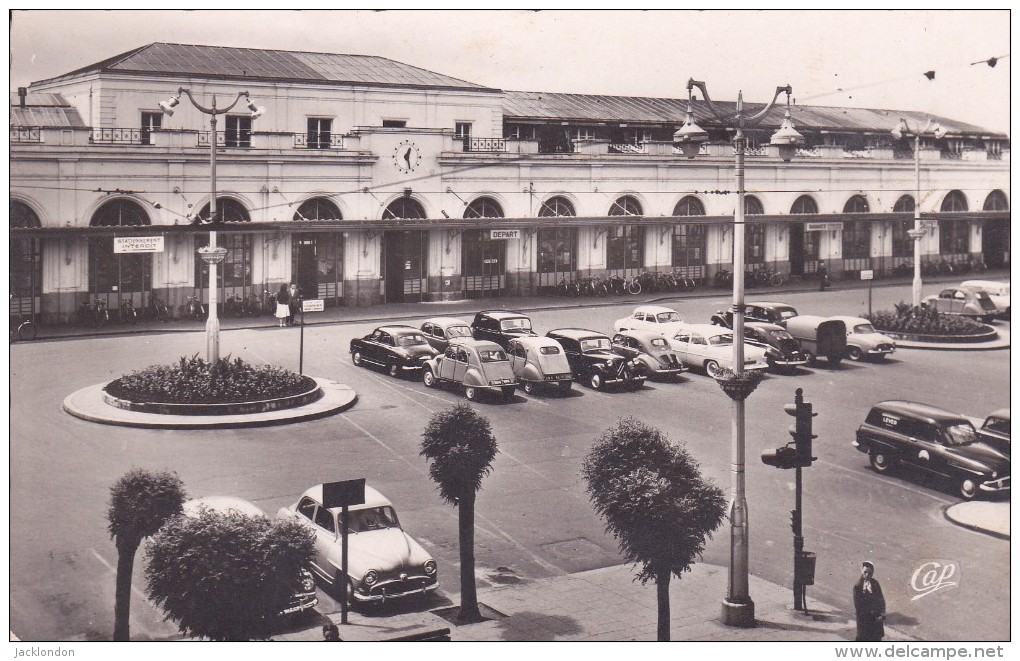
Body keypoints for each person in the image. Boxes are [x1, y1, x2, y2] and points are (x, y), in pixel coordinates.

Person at [853, 561, 886, 641]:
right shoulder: (858, 587)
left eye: (870, 573)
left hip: (877, 623)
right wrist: (874, 616)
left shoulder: (875, 583)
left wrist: (881, 613)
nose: (867, 575)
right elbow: (859, 607)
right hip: (865, 623)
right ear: (861, 571)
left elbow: (881, 600)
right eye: (865, 572)